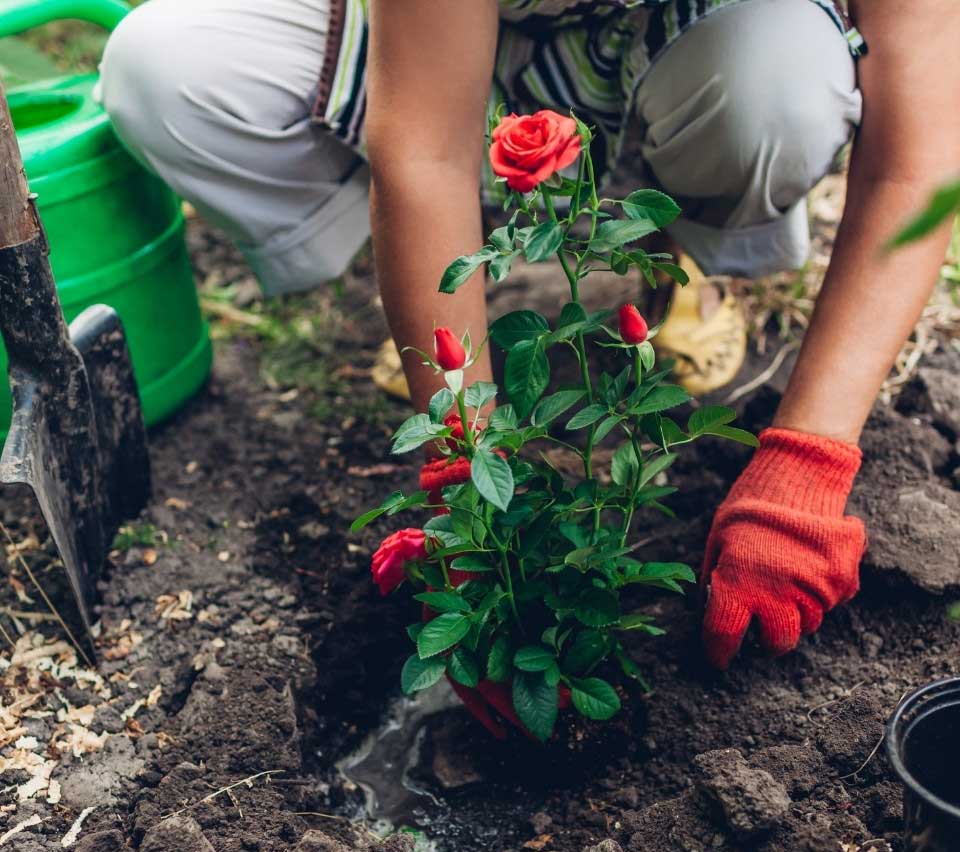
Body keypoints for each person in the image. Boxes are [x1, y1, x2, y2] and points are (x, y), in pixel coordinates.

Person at [98, 0, 960, 668]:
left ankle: (673, 266)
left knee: (777, 92)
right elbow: (426, 148)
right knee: (166, 70)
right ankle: (447, 292)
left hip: (694, 44)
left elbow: (921, 158)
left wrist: (807, 459)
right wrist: (465, 485)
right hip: (435, 35)